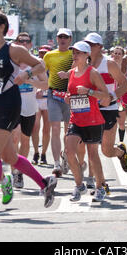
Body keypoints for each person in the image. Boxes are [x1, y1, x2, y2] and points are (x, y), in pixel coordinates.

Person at [0, 11, 57, 219]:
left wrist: (26, 74)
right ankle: (45, 183)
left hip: (9, 105)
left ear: (1, 27)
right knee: (10, 157)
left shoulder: (13, 49)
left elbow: (41, 64)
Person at [84, 33, 127, 187]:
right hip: (88, 110)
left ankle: (120, 152)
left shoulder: (109, 64)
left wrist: (111, 98)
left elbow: (125, 85)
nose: (88, 47)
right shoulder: (81, 64)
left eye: (91, 44)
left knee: (106, 150)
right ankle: (95, 180)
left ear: (100, 47)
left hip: (108, 109)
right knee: (91, 147)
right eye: (86, 44)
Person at [64, 41, 110, 203]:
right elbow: (71, 95)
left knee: (92, 155)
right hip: (76, 119)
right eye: (73, 52)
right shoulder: (71, 73)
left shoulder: (93, 73)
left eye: (78, 53)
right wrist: (68, 98)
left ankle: (100, 187)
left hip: (92, 119)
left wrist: (89, 91)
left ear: (86, 55)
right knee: (69, 152)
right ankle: (79, 185)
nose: (74, 55)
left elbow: (105, 95)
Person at [12, 33, 48, 188]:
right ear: (16, 43)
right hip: (12, 106)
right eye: (21, 41)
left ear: (30, 44)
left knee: (25, 140)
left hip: (30, 106)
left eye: (27, 41)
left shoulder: (37, 63)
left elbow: (45, 85)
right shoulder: (10, 61)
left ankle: (19, 171)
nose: (24, 43)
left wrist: (29, 80)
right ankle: (14, 172)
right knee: (15, 137)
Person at [43, 28, 73, 177]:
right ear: (56, 39)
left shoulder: (74, 54)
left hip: (69, 97)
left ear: (70, 40)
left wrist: (68, 74)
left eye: (65, 37)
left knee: (69, 131)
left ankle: (66, 157)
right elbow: (42, 72)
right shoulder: (49, 55)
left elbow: (82, 70)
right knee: (55, 128)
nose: (62, 39)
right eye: (60, 37)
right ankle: (56, 164)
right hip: (53, 95)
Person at [32, 45, 52, 166]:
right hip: (37, 100)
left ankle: (44, 154)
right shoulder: (35, 65)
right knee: (35, 127)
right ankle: (35, 152)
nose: (42, 55)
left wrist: (45, 90)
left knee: (46, 129)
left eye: (45, 53)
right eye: (40, 53)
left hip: (49, 100)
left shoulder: (52, 67)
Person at [111, 46, 126, 143]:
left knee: (121, 122)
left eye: (119, 54)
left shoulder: (125, 67)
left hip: (122, 98)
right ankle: (110, 141)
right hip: (111, 96)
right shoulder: (108, 65)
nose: (116, 55)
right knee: (111, 122)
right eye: (115, 53)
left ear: (122, 56)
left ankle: (121, 142)